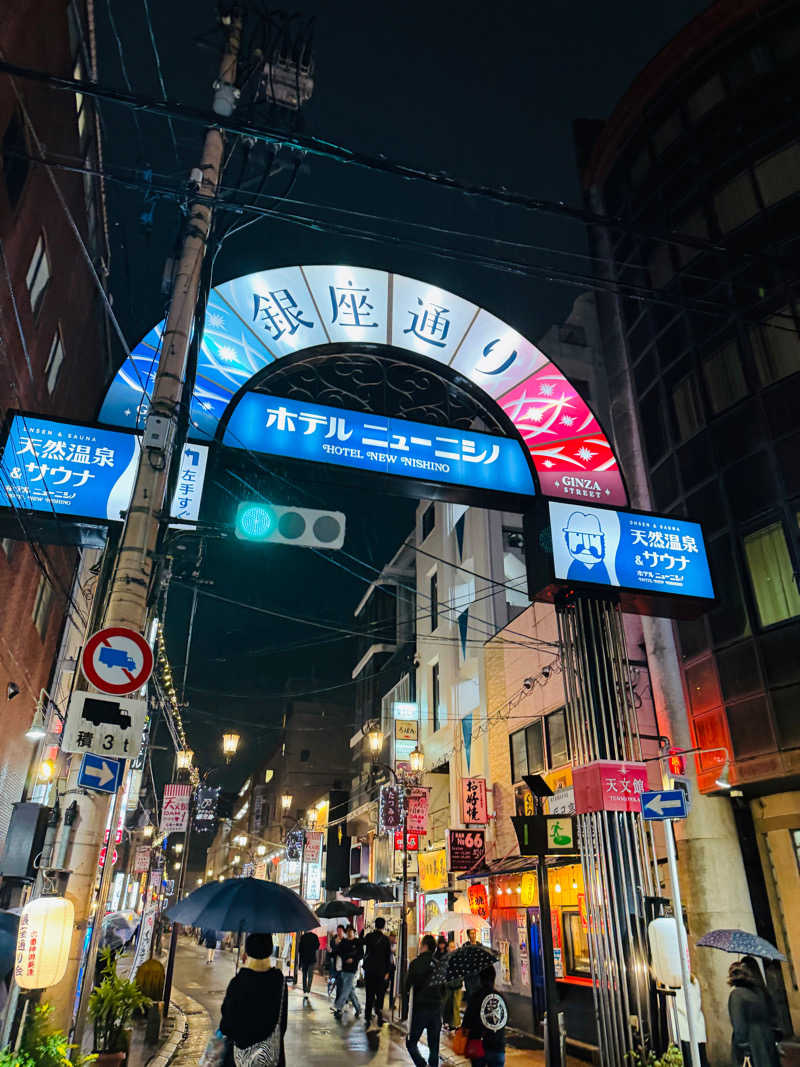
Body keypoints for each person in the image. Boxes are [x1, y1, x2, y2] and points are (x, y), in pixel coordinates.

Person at [220, 932, 288, 1067]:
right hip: (270, 1058)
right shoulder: (279, 982)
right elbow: (282, 1024)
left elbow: (226, 1026)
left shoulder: (238, 982)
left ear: (248, 951)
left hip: (239, 1058)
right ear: (269, 950)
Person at [728, 960, 780, 1067]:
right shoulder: (759, 992)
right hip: (766, 1039)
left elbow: (739, 1026)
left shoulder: (736, 995)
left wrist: (744, 1048)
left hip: (752, 1043)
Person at [405, 934, 442, 1067]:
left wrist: (405, 1012)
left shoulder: (415, 963)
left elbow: (407, 987)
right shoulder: (439, 965)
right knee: (434, 1046)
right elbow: (443, 988)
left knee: (411, 1042)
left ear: (424, 946)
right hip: (436, 1009)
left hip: (420, 1009)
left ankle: (421, 1064)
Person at [462, 965, 508, 1067]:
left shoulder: (476, 997)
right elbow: (505, 1020)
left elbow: (467, 1023)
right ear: (494, 978)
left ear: (480, 979)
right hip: (498, 1046)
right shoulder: (500, 997)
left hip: (478, 1046)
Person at [363, 917, 392, 1030]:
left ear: (375, 925)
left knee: (369, 994)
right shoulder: (385, 940)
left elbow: (363, 943)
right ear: (383, 926)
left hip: (370, 971)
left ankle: (367, 1015)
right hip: (381, 972)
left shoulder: (369, 936)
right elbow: (388, 957)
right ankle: (379, 1013)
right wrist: (387, 972)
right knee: (380, 994)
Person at [674, 974, 709, 1067]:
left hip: (685, 1031)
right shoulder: (693, 979)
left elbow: (683, 1006)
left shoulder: (675, 981)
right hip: (697, 1030)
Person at [333, 925, 362, 1020]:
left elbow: (361, 954)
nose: (349, 933)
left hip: (353, 969)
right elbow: (339, 952)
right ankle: (358, 1008)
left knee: (345, 989)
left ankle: (339, 1007)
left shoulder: (357, 942)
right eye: (348, 931)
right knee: (350, 990)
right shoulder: (344, 942)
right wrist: (346, 958)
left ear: (354, 932)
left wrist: (353, 959)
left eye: (351, 931)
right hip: (344, 968)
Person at [441, 941, 463, 1031]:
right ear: (448, 948)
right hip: (448, 986)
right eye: (451, 947)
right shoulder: (445, 959)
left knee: (456, 1006)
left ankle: (456, 1024)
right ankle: (448, 1022)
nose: (453, 948)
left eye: (454, 947)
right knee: (447, 1005)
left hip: (457, 985)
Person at [298, 929, 320, 1002]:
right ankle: (308, 990)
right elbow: (317, 946)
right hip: (312, 959)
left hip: (304, 959)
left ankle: (304, 991)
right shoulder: (315, 936)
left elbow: (300, 950)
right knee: (310, 975)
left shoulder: (303, 937)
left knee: (304, 975)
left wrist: (300, 963)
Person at [464, 929, 482, 999]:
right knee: (470, 995)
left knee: (478, 995)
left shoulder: (480, 945)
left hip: (478, 975)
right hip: (469, 976)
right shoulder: (465, 946)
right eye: (471, 934)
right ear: (468, 935)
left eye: (474, 933)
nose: (473, 935)